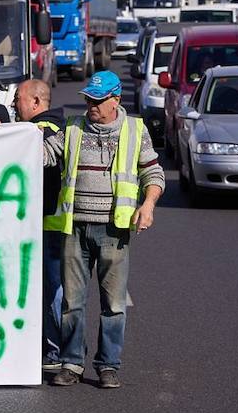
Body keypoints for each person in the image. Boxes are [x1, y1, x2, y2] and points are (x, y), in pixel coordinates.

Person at [43, 70, 164, 389]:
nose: (91, 106)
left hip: (113, 231)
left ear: (115, 99)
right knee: (72, 302)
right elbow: (44, 154)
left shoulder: (135, 130)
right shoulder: (72, 128)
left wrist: (147, 205)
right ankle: (71, 362)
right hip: (75, 227)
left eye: (97, 101)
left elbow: (153, 173)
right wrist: (6, 135)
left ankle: (108, 365)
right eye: (88, 100)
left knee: (113, 305)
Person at [13, 78, 65, 373]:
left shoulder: (45, 130)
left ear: (35, 102)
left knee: (53, 287)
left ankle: (58, 349)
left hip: (50, 222)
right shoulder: (44, 128)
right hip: (43, 221)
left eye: (18, 99)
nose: (14, 105)